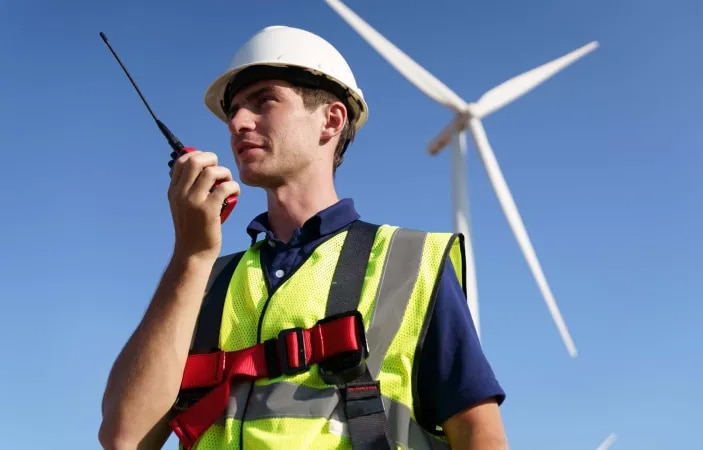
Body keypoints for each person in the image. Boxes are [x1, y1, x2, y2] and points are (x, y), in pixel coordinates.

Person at [98, 25, 507, 450]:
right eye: (234, 109)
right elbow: (124, 437)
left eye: (264, 102)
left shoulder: (410, 261)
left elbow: (480, 435)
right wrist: (191, 255)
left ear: (331, 120)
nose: (237, 122)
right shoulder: (202, 278)